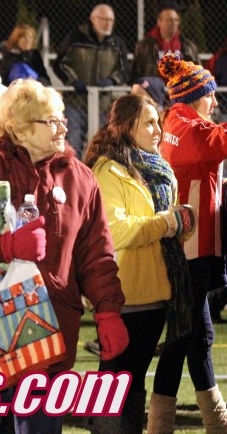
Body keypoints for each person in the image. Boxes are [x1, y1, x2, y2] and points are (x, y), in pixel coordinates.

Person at [0, 78, 128, 434]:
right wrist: (4, 246)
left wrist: (108, 309)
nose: (62, 128)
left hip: (47, 337)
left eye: (61, 119)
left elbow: (96, 253)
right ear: (19, 129)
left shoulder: (80, 178)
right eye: (50, 121)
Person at [84, 94, 194, 433]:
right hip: (123, 294)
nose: (157, 130)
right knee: (115, 383)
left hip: (157, 291)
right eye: (148, 123)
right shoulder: (108, 171)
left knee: (132, 382)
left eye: (158, 122)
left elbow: (168, 226)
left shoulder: (158, 167)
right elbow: (115, 231)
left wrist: (182, 223)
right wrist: (166, 222)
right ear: (127, 126)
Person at [148, 53, 227, 433]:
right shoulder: (189, 127)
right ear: (195, 95)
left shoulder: (177, 122)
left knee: (199, 335)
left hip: (192, 245)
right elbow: (215, 142)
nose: (214, 101)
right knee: (183, 336)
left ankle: (215, 419)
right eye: (209, 94)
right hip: (192, 249)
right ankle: (161, 422)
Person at [53, 4, 130, 158]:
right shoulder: (75, 38)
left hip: (103, 105)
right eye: (104, 19)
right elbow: (60, 63)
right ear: (93, 19)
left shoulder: (117, 43)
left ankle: (96, 173)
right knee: (72, 144)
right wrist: (73, 81)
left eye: (111, 20)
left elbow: (125, 70)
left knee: (101, 147)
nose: (108, 23)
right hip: (75, 102)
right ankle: (71, 171)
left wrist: (111, 80)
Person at [131, 1, 199, 82]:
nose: (173, 23)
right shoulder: (145, 46)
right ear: (159, 22)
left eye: (176, 20)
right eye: (169, 20)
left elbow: (199, 74)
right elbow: (136, 74)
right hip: (155, 88)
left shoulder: (188, 46)